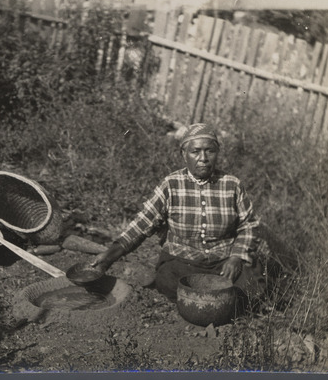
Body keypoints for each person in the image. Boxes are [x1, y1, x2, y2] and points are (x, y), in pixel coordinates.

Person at [91, 123, 266, 303]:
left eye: (210, 151)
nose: (203, 158)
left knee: (252, 285)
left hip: (223, 263)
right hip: (183, 262)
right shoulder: (171, 185)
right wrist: (109, 257)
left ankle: (219, 304)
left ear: (217, 153)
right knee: (167, 279)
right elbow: (140, 226)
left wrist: (236, 257)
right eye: (195, 151)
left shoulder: (232, 185)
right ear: (184, 154)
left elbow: (249, 225)